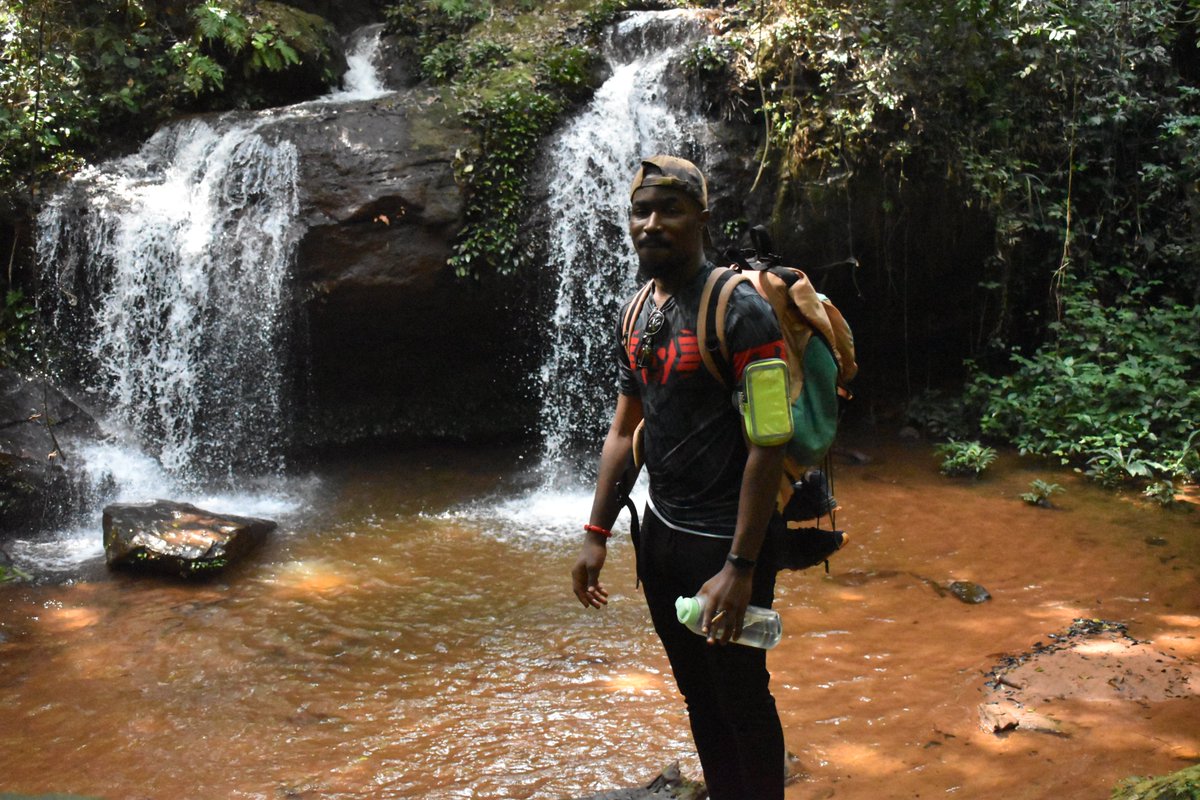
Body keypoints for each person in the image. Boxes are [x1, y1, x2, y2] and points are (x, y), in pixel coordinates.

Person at [571, 155, 789, 800]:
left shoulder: (741, 311)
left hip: (726, 541)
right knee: (697, 693)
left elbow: (768, 443)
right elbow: (622, 432)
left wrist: (740, 566)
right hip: (660, 537)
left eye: (670, 210)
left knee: (743, 696)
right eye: (642, 210)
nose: (652, 223)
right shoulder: (639, 309)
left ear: (701, 218)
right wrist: (595, 532)